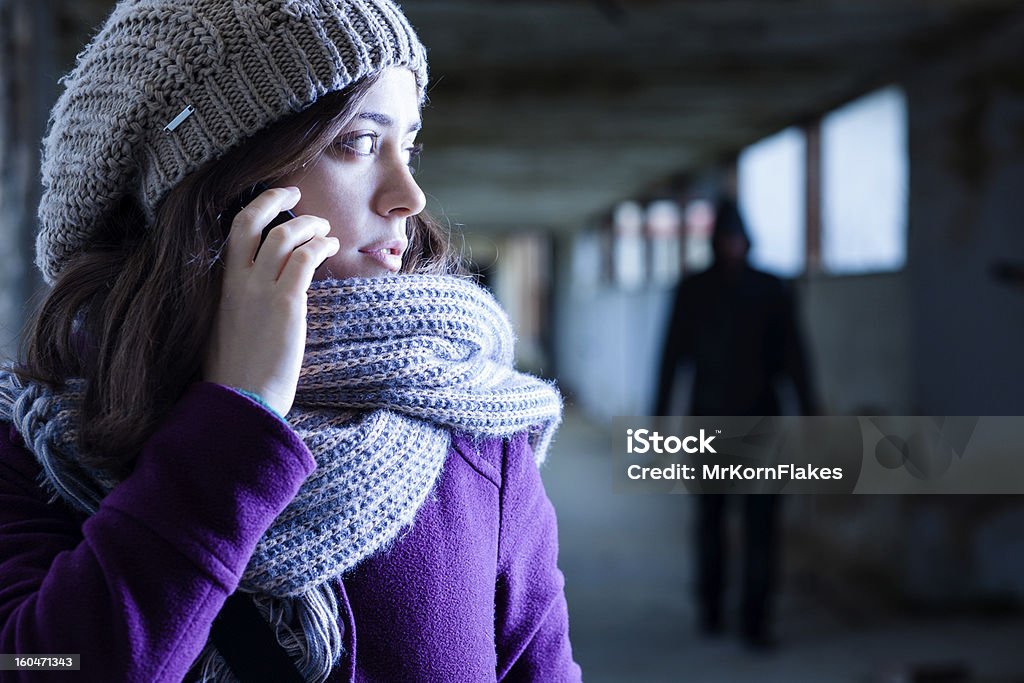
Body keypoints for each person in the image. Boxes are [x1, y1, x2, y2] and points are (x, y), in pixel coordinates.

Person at [0, 2, 582, 681]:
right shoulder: (34, 445)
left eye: (410, 146)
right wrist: (236, 414)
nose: (409, 195)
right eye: (358, 143)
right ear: (222, 183)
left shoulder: (475, 435)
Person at [655, 197, 817, 650]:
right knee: (711, 521)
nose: (731, 246)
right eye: (725, 238)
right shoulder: (693, 290)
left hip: (763, 421)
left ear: (748, 240)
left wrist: (812, 414)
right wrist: (658, 417)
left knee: (762, 525)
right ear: (714, 241)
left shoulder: (771, 289)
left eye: (737, 238)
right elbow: (671, 357)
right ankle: (710, 607)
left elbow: (795, 357)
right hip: (708, 422)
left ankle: (756, 620)